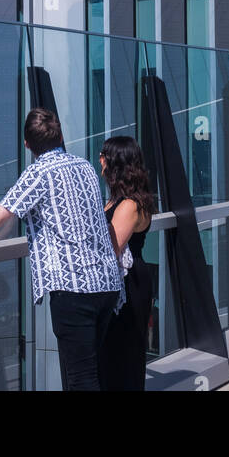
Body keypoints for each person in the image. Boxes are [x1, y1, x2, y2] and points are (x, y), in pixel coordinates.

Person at [0, 108, 123, 391]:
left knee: (81, 377)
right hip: (107, 283)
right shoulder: (85, 166)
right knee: (91, 369)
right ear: (60, 136)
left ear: (27, 145)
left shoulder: (38, 173)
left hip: (73, 287)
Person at [97, 135, 155, 392]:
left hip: (129, 285)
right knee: (116, 355)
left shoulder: (129, 204)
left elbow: (111, 247)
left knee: (123, 355)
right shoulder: (120, 200)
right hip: (128, 281)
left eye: (104, 155)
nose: (99, 159)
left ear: (115, 161)